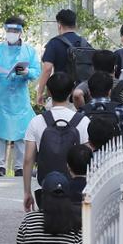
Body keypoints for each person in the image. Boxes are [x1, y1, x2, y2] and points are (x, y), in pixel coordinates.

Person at [23, 72, 89, 212]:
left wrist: (27, 192)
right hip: (75, 190)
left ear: (49, 92)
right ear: (71, 91)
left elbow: (28, 159)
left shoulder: (36, 121)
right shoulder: (83, 121)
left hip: (46, 188)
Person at [0, 17, 41, 177]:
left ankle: (20, 167)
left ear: (21, 31)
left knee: (22, 133)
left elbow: (37, 71)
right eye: (9, 30)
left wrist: (26, 72)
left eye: (15, 31)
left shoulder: (29, 51)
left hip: (20, 99)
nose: (12, 34)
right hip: (0, 97)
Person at [36, 9, 90, 106]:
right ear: (75, 24)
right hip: (81, 94)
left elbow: (47, 69)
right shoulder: (85, 43)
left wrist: (40, 93)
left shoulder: (54, 43)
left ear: (59, 24)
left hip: (60, 96)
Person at [72, 50, 123, 125]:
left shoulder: (89, 84)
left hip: (93, 130)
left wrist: (84, 110)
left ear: (93, 68)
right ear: (115, 67)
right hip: (121, 131)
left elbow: (77, 94)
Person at [80, 71, 123, 138]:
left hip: (89, 148)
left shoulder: (82, 112)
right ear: (109, 91)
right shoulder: (120, 110)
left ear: (89, 92)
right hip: (114, 147)